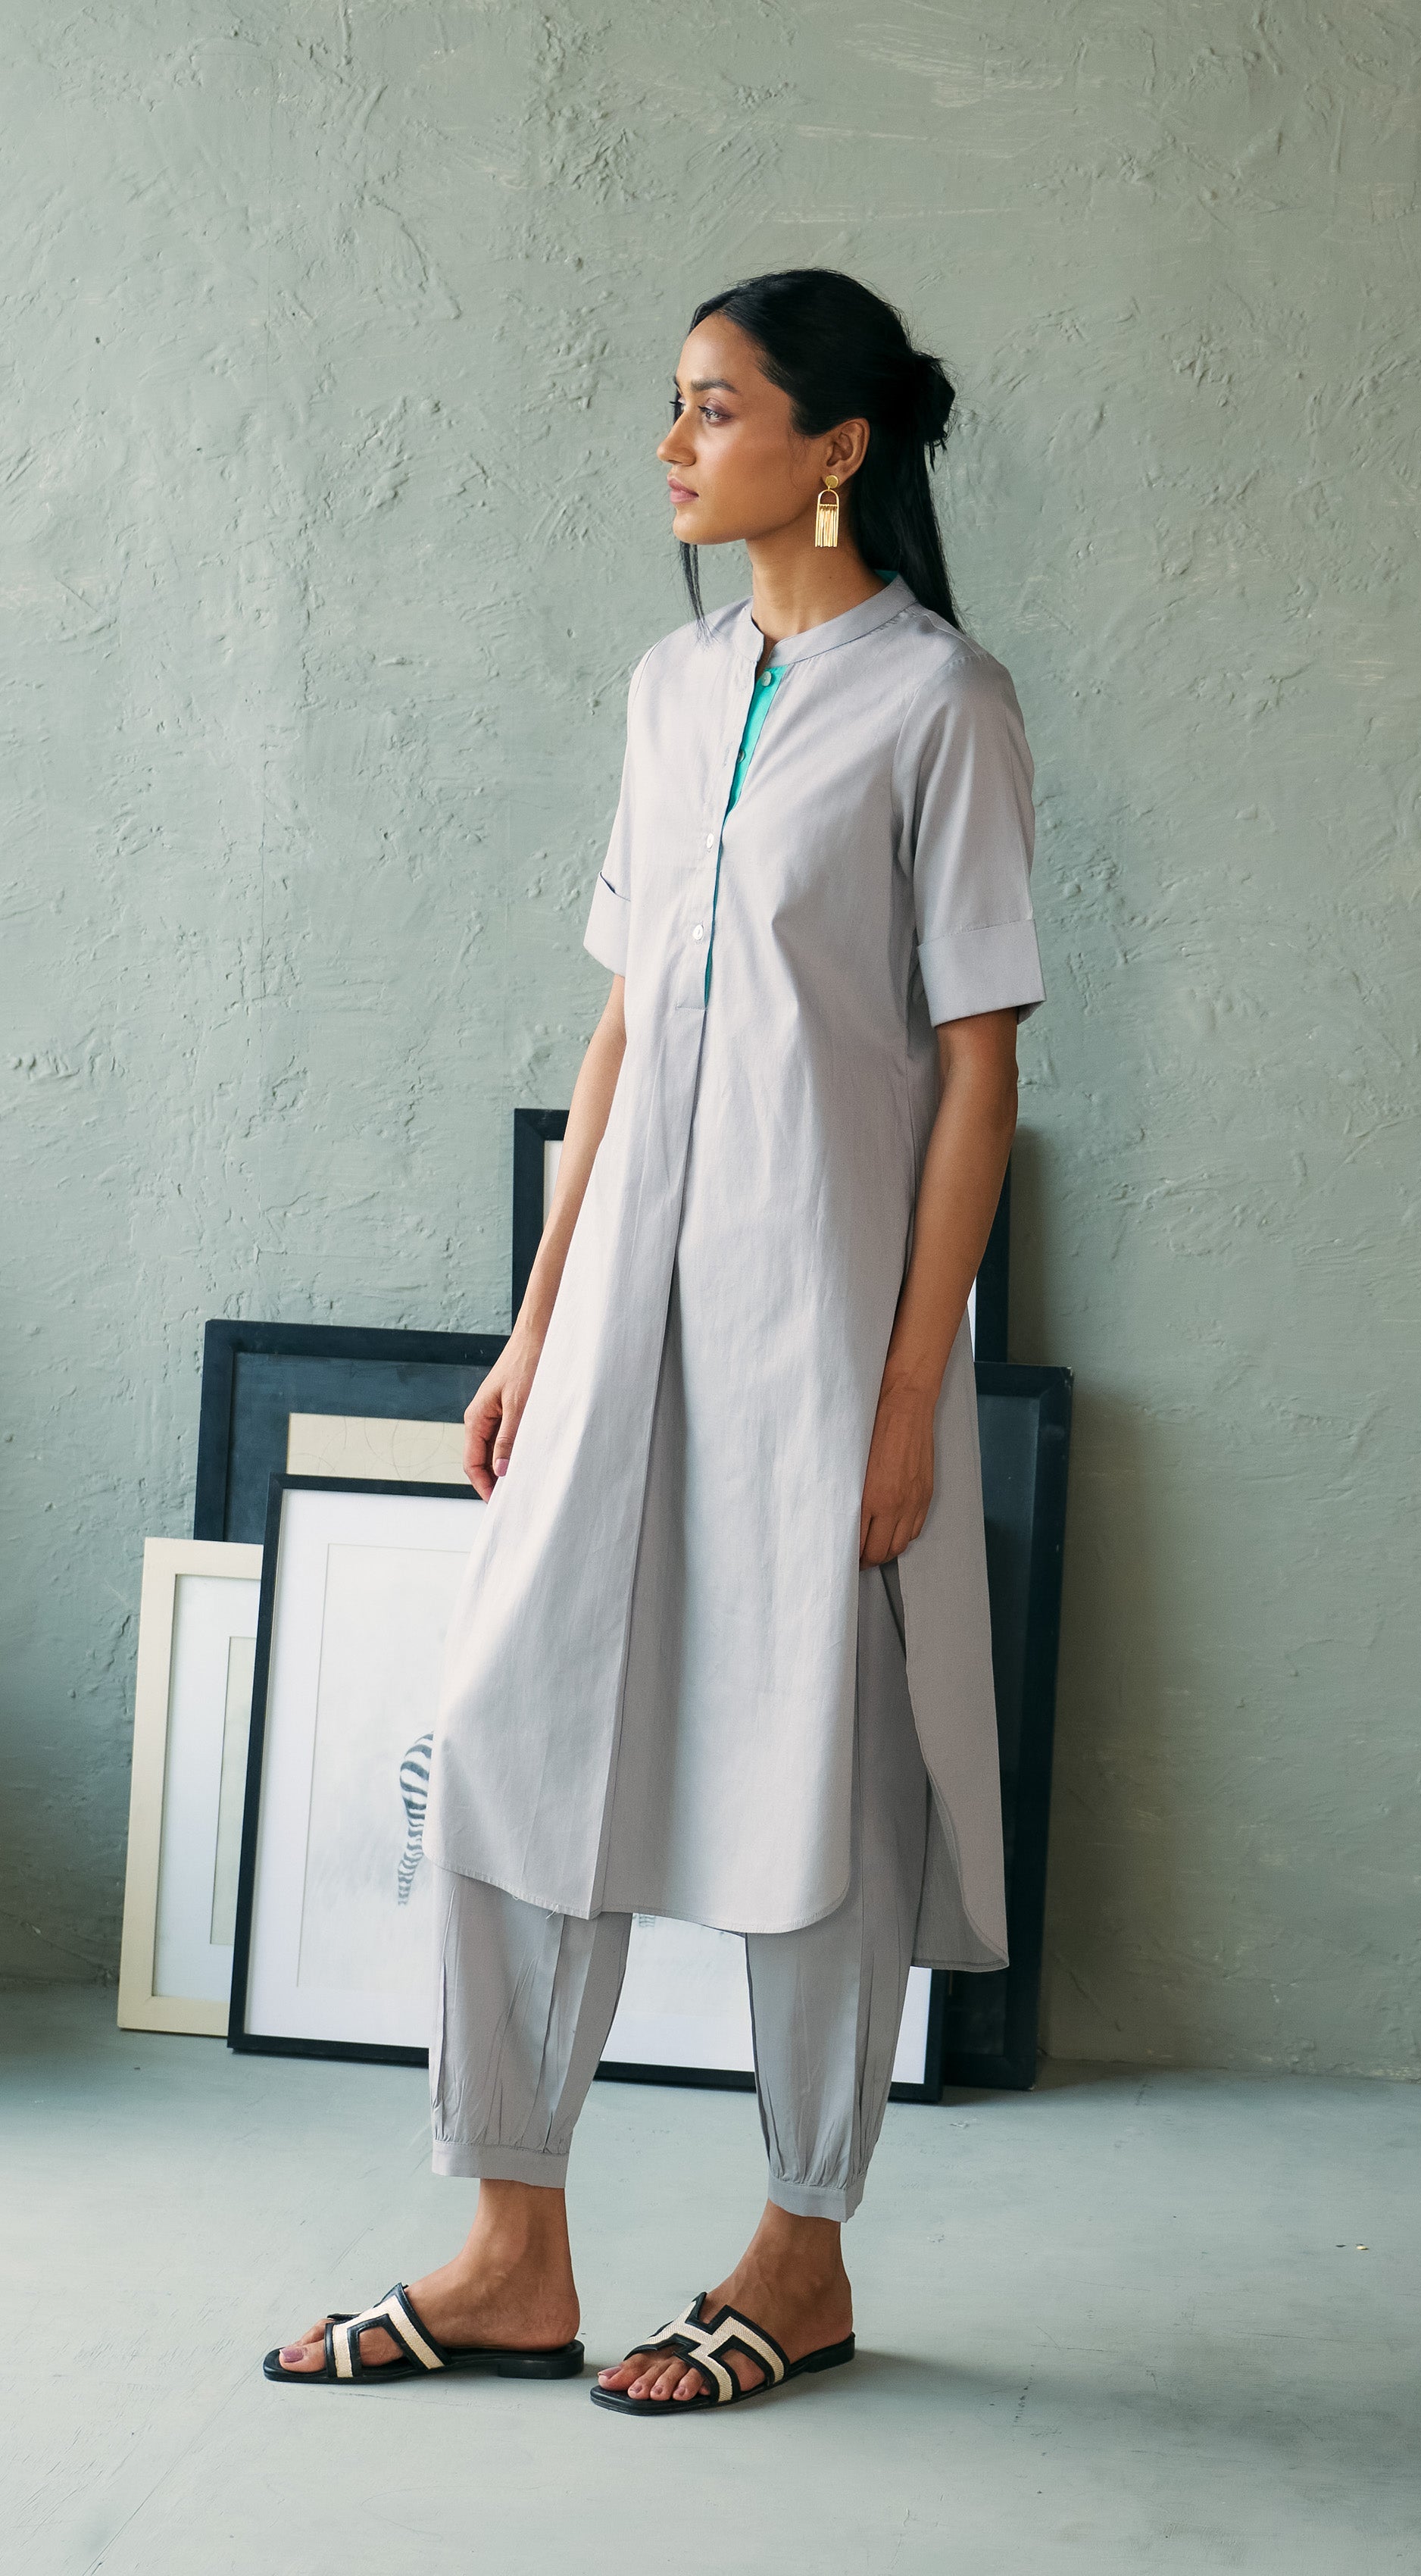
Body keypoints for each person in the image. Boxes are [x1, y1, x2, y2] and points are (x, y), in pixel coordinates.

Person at [263, 266, 1045, 2411]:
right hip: (618, 1309)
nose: (673, 444)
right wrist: (531, 1324)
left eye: (715, 407)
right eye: (675, 405)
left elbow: (980, 1072)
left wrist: (911, 1396)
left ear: (837, 446)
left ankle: (802, 2250)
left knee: (813, 1770)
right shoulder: (672, 688)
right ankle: (513, 2252)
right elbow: (620, 1026)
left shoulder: (943, 705)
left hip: (819, 1329)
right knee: (512, 1730)